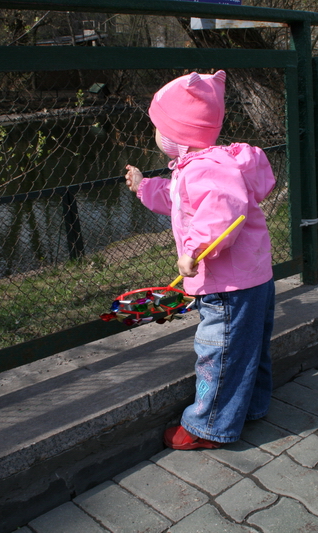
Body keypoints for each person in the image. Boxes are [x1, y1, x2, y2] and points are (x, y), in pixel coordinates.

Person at [124, 70, 276, 450]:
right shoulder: (207, 164)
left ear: (177, 134)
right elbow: (180, 199)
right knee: (249, 348)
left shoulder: (205, 168)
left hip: (227, 287)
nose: (155, 135)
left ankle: (208, 427)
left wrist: (192, 250)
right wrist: (144, 186)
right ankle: (250, 407)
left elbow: (221, 213)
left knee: (218, 354)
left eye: (158, 128)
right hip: (252, 278)